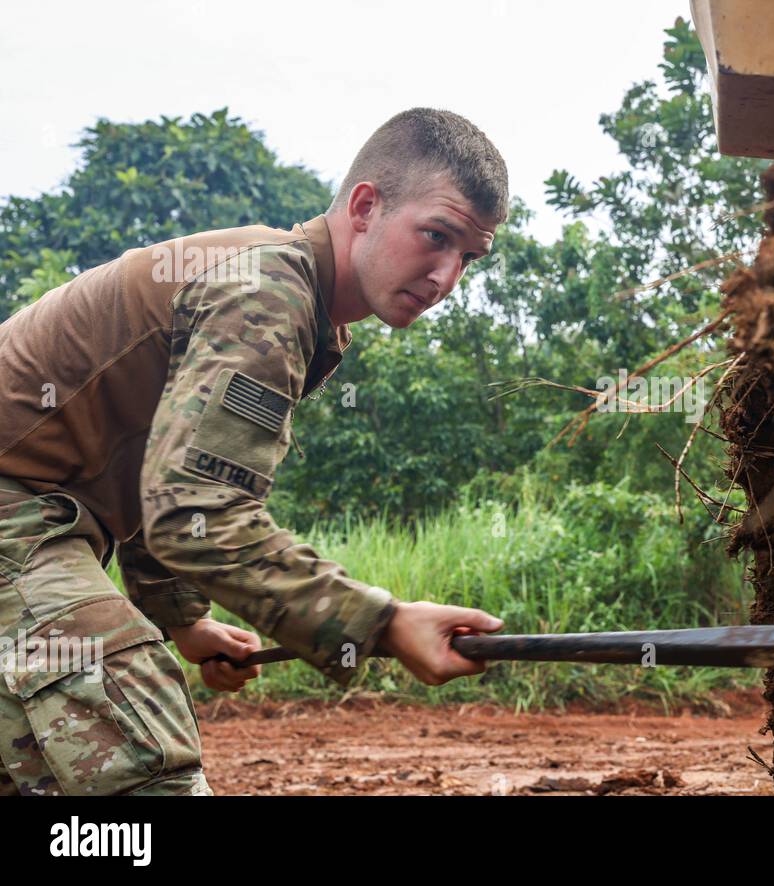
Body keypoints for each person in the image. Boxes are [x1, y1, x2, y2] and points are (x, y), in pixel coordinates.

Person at [0, 108, 508, 795]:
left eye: (468, 257)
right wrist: (380, 622)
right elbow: (194, 508)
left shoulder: (295, 301)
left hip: (36, 521)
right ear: (365, 206)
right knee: (139, 750)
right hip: (18, 517)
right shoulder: (267, 291)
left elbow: (161, 473)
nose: (447, 277)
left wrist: (186, 621)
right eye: (435, 237)